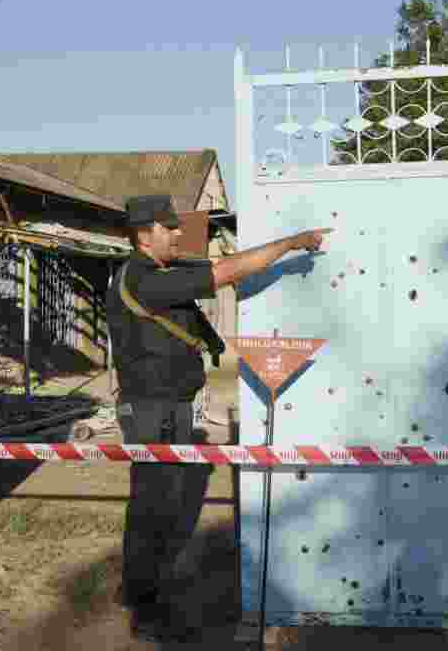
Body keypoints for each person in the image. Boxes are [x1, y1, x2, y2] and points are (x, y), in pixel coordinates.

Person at [106, 194, 331, 642]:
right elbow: (228, 272)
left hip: (168, 403)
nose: (176, 234)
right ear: (142, 236)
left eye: (176, 227)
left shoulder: (161, 272)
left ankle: (144, 588)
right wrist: (291, 243)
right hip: (151, 407)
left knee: (163, 499)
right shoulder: (142, 277)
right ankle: (142, 604)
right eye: (167, 228)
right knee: (153, 501)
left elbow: (207, 290)